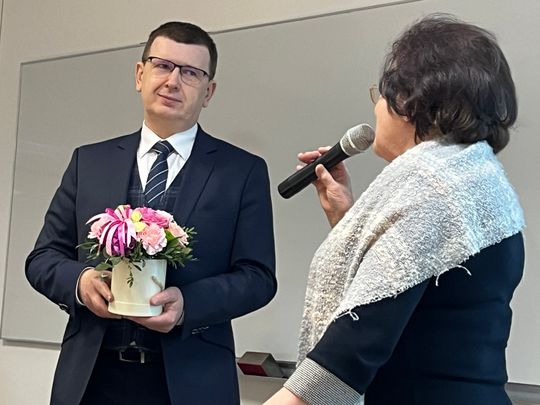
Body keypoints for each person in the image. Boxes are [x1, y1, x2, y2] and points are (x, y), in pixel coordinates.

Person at [265, 14, 525, 405]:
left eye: (381, 96)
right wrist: (346, 218)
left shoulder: (429, 190)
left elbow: (347, 357)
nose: (376, 109)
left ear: (410, 102)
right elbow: (424, 301)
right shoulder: (478, 184)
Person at [25, 21, 276, 405]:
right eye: (162, 66)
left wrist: (188, 304)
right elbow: (43, 257)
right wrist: (81, 282)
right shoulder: (89, 162)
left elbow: (258, 277)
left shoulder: (242, 171)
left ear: (208, 92)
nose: (173, 81)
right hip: (92, 379)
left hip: (192, 382)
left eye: (190, 73)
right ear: (140, 75)